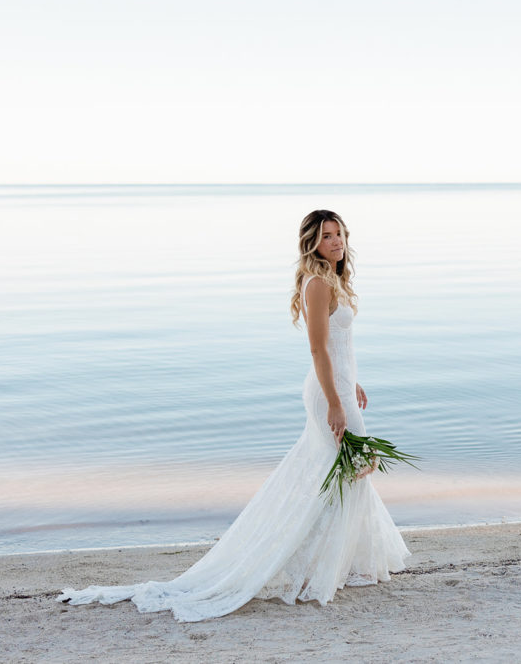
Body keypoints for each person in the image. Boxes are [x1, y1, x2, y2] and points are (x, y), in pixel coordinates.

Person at [58, 209, 410, 621]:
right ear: (312, 242)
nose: (336, 242)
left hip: (339, 387)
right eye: (326, 236)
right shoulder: (317, 284)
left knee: (342, 472)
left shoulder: (335, 281)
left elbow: (338, 346)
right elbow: (316, 350)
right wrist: (335, 400)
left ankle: (338, 562)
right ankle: (318, 563)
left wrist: (352, 382)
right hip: (326, 394)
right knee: (343, 470)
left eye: (339, 234)